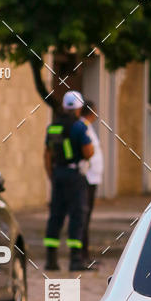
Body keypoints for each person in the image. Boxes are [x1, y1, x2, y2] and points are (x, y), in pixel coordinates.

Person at [43, 90, 94, 272]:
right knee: (77, 215)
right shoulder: (79, 127)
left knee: (55, 215)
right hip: (74, 176)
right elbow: (88, 152)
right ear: (79, 108)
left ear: (65, 106)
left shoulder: (52, 127)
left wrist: (52, 175)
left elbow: (47, 155)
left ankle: (51, 260)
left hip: (58, 174)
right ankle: (75, 260)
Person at [79, 100, 104, 268]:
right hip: (87, 179)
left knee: (86, 218)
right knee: (84, 218)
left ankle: (85, 255)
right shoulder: (82, 127)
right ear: (91, 112)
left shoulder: (87, 127)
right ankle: (82, 256)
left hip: (92, 179)